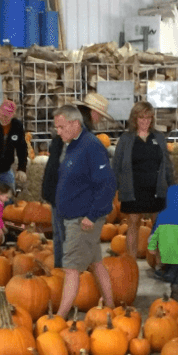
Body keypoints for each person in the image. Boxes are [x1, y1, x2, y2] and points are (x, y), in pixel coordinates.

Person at [52, 105, 117, 318]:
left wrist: (92, 215)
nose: (58, 131)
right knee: (96, 263)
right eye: (57, 128)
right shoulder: (72, 145)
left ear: (75, 124)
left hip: (82, 220)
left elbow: (107, 184)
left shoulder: (92, 147)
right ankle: (110, 305)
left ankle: (60, 316)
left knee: (71, 268)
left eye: (61, 127)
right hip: (74, 216)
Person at [42, 93, 114, 269]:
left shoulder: (69, 126)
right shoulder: (80, 133)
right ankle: (68, 278)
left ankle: (62, 276)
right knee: (70, 240)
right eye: (99, 116)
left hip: (54, 190)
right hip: (66, 194)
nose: (99, 120)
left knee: (61, 237)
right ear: (93, 113)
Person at [114, 101, 175, 261]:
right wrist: (112, 188)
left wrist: (173, 186)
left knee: (158, 227)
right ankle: (130, 265)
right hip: (133, 188)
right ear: (135, 119)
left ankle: (161, 264)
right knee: (133, 225)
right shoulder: (126, 139)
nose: (145, 121)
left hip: (156, 188)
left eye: (148, 117)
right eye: (141, 117)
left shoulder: (159, 138)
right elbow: (116, 165)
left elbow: (167, 164)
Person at [146, 185, 178, 301]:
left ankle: (168, 275)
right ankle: (176, 285)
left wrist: (151, 246)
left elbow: (154, 233)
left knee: (169, 264)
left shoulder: (161, 216)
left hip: (166, 250)